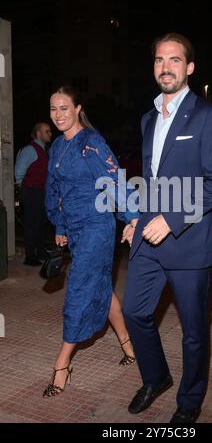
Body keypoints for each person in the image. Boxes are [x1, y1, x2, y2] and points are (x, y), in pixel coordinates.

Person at [122, 33, 212, 423]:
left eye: (174, 60)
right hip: (148, 241)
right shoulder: (148, 118)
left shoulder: (208, 115)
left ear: (189, 67)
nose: (165, 67)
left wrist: (169, 220)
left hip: (189, 241)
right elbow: (152, 180)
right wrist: (137, 218)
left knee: (193, 332)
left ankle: (189, 403)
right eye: (158, 60)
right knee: (134, 312)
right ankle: (156, 378)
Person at [43, 85, 139, 397]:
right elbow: (54, 188)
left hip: (97, 227)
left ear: (77, 109)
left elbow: (115, 181)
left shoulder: (91, 143)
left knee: (78, 290)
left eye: (64, 109)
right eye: (53, 109)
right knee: (100, 287)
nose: (58, 115)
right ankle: (129, 345)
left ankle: (62, 363)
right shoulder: (58, 146)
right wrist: (59, 224)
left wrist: (132, 218)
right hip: (73, 228)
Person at [15, 122, 52, 266]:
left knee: (41, 223)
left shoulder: (44, 149)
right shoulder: (30, 150)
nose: (50, 134)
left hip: (40, 191)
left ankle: (41, 252)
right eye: (47, 131)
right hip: (31, 190)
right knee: (31, 224)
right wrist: (23, 189)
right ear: (38, 134)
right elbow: (19, 172)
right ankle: (30, 257)